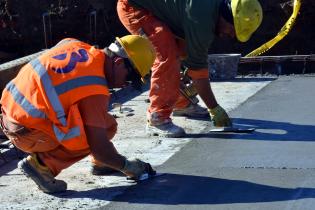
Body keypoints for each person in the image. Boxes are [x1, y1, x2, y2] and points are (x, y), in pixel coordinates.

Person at [0, 35, 156, 194]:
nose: (126, 84)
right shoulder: (94, 88)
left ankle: (101, 164)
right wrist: (126, 166)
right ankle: (41, 166)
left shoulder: (74, 44)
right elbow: (99, 148)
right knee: (92, 137)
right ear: (118, 62)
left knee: (106, 125)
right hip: (28, 132)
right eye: (130, 78)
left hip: (10, 114)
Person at [117, 0, 263, 137]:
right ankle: (157, 117)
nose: (231, 36)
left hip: (154, 8)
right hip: (134, 7)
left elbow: (194, 59)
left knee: (184, 50)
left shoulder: (211, 12)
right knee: (167, 54)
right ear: (227, 16)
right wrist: (214, 107)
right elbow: (198, 73)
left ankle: (181, 103)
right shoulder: (202, 21)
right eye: (233, 30)